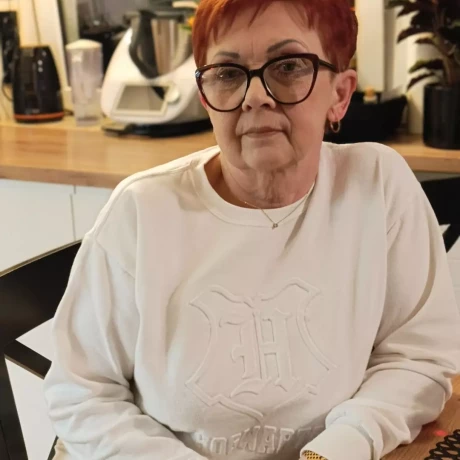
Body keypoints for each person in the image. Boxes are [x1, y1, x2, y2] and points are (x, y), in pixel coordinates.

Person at [44, 0, 460, 459]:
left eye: (288, 66)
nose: (255, 96)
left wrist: (335, 450)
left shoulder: (378, 186)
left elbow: (418, 357)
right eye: (227, 73)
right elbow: (81, 394)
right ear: (206, 98)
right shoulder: (142, 212)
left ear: (340, 94)